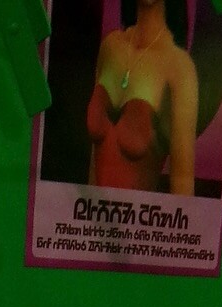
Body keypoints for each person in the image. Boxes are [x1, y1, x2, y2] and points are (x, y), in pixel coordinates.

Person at [87, 0, 198, 195]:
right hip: (91, 210)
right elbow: (94, 161)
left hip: (141, 213)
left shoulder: (179, 67)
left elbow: (183, 189)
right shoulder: (110, 46)